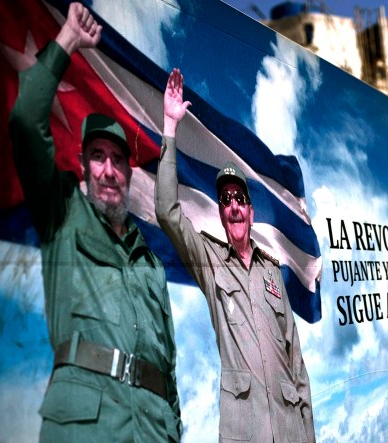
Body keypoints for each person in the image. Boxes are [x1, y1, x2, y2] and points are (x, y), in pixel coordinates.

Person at [8, 3, 181, 441]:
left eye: (118, 160)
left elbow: (169, 365)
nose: (108, 170)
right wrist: (68, 38)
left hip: (153, 430)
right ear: (83, 167)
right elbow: (25, 121)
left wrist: (173, 429)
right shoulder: (62, 212)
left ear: (128, 174)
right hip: (86, 428)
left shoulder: (150, 263)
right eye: (98, 157)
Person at [156, 68, 315, 443]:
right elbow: (167, 212)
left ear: (250, 211)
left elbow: (296, 363)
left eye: (240, 199)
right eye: (225, 200)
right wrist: (170, 127)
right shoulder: (209, 262)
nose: (233, 206)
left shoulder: (273, 272)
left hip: (291, 432)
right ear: (222, 213)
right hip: (245, 432)